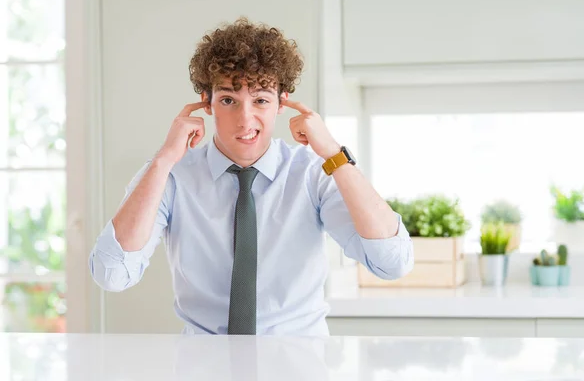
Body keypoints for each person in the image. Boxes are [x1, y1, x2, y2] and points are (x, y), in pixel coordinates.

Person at [89, 17, 414, 336]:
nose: (245, 120)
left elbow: (391, 262)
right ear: (207, 102)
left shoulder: (315, 173)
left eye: (260, 100)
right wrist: (163, 160)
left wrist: (333, 154)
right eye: (229, 100)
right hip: (203, 366)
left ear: (281, 103)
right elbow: (112, 274)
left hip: (298, 365)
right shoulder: (172, 175)